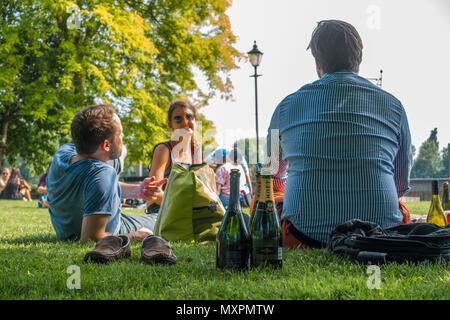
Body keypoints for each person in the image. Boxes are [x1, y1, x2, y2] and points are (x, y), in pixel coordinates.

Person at [266, 20, 413, 249]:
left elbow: (272, 174)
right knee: (400, 207)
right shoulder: (394, 106)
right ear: (359, 59)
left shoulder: (285, 107)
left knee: (268, 195)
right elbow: (400, 185)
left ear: (317, 63)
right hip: (382, 236)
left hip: (304, 237)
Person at [46, 104, 167, 243]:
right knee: (163, 218)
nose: (123, 136)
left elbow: (96, 186)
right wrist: (135, 236)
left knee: (121, 152)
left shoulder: (64, 152)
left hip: (66, 230)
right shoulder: (103, 175)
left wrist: (138, 190)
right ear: (106, 145)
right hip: (107, 230)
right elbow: (91, 237)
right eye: (120, 134)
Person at [146, 100, 201, 213]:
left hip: (188, 212)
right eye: (178, 118)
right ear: (170, 125)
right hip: (161, 211)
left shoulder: (196, 150)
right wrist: (185, 207)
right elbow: (153, 193)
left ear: (196, 121)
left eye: (189, 117)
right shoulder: (164, 150)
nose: (185, 122)